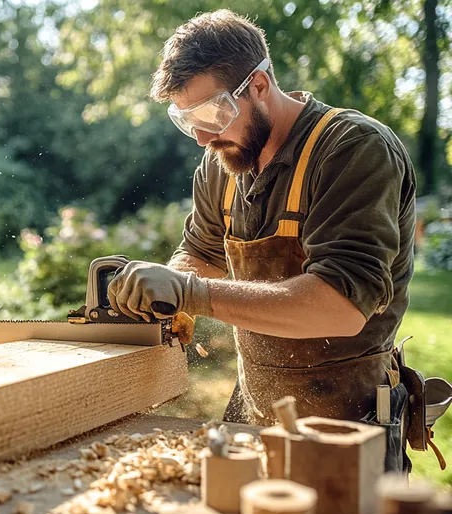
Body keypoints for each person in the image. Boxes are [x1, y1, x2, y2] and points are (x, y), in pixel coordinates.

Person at [107, 10, 417, 432]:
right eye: (187, 121)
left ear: (258, 84)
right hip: (256, 404)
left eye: (210, 115)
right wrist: (173, 292)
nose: (201, 137)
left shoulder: (353, 149)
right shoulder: (223, 159)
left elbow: (340, 307)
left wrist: (192, 292)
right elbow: (202, 251)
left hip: (351, 416)